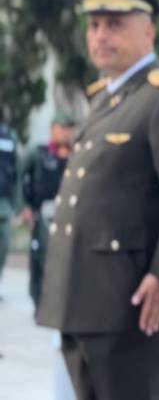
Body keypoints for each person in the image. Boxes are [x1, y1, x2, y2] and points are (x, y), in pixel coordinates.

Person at [36, 0, 159, 400]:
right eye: (94, 25)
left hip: (130, 301)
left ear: (148, 31)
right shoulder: (107, 96)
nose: (100, 35)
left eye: (115, 24)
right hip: (81, 295)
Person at [18, 112, 75, 309]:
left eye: (69, 129)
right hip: (45, 212)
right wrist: (24, 206)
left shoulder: (76, 154)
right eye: (63, 129)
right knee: (42, 257)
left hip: (70, 213)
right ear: (53, 129)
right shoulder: (39, 152)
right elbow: (20, 176)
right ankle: (40, 302)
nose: (67, 133)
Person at [0, 113, 16, 299]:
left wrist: (18, 205)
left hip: (4, 200)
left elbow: (16, 170)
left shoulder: (7, 137)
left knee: (4, 243)